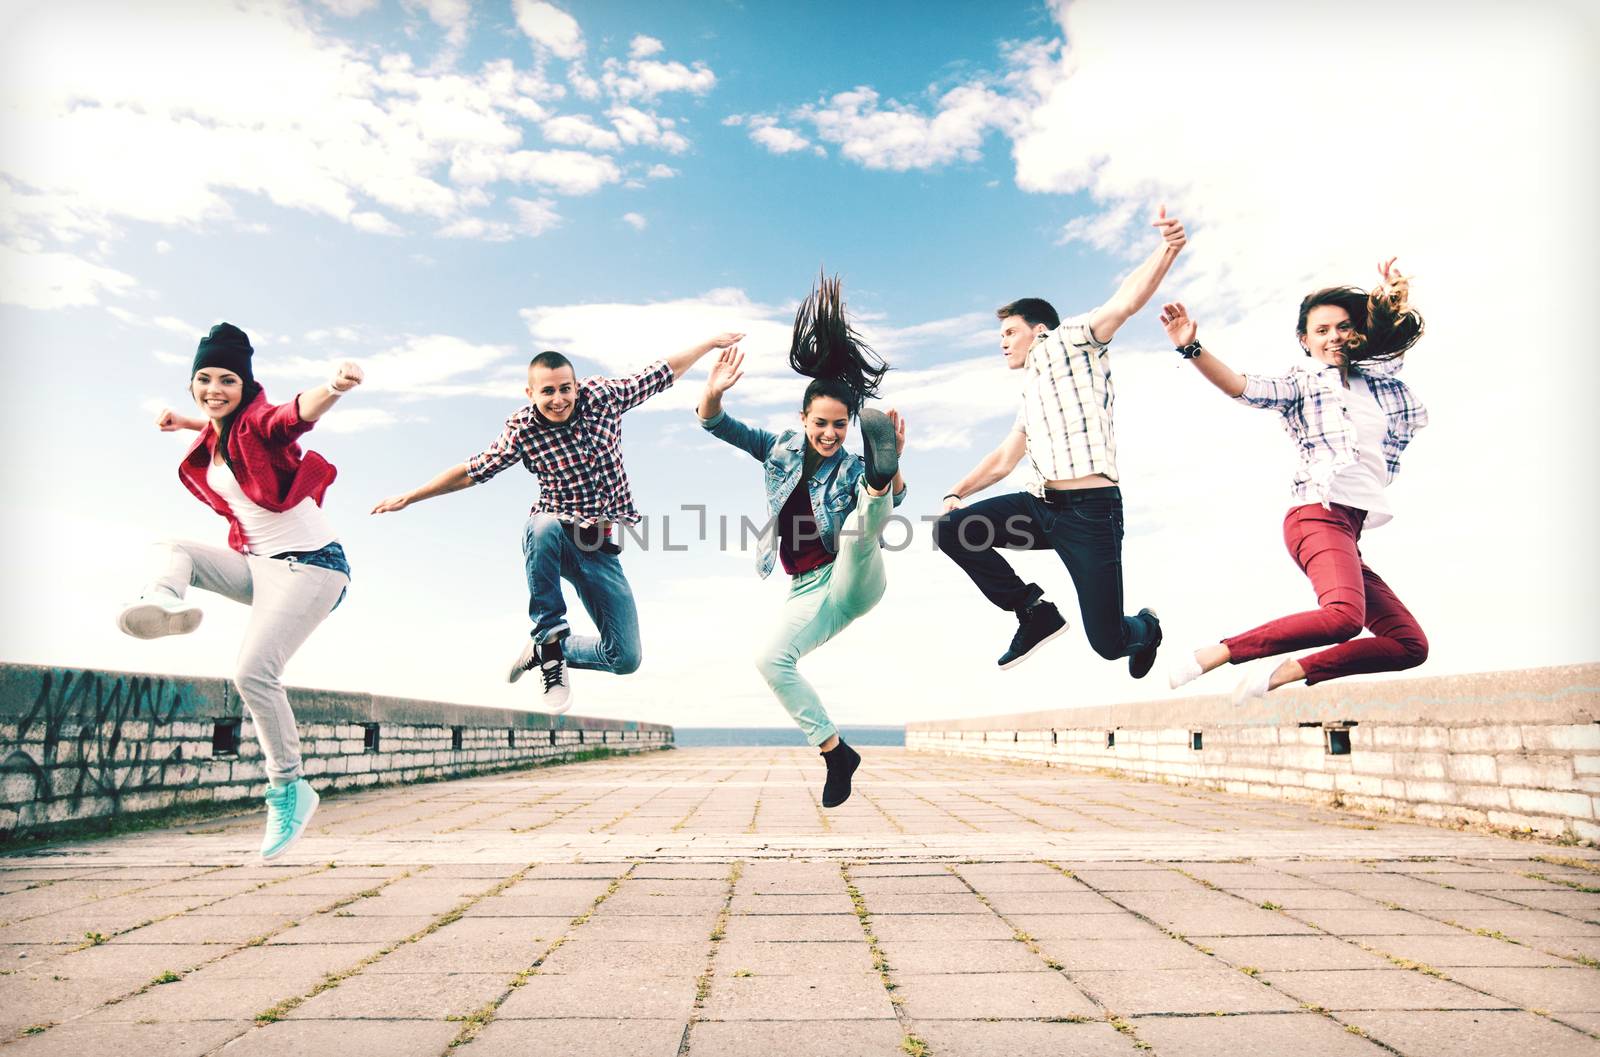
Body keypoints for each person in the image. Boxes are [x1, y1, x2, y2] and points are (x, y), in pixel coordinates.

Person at [371, 335, 743, 713]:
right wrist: (411, 496)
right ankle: (549, 637)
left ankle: (547, 650)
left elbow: (661, 373)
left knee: (625, 658)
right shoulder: (522, 429)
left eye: (565, 389)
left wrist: (709, 344)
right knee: (542, 525)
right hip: (556, 538)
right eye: (547, 392)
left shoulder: (604, 397)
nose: (559, 399)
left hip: (599, 548)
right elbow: (472, 472)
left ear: (576, 386)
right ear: (530, 392)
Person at [117, 322, 363, 861]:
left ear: (246, 387)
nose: (214, 389)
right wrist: (183, 420)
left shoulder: (256, 422)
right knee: (170, 546)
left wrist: (335, 387)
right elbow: (211, 428)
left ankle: (289, 787)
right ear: (191, 385)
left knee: (253, 674)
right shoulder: (217, 431)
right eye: (203, 379)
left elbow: (289, 418)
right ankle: (164, 599)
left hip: (314, 568)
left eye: (227, 380)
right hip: (261, 567)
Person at [1162, 258, 1429, 703]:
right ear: (1305, 341)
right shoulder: (1301, 385)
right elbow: (1242, 386)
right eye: (1321, 331)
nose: (1334, 337)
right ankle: (1220, 652)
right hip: (1316, 516)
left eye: (1343, 327)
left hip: (1349, 528)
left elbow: (1392, 348)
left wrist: (1391, 300)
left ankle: (1294, 670)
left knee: (1409, 645)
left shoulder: (1378, 385)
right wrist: (1192, 349)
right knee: (1343, 617)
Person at [934, 207, 1187, 676]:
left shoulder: (1069, 341)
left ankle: (1146, 629)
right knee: (951, 529)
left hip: (1092, 513)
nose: (1002, 342)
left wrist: (1167, 249)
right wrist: (956, 494)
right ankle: (1034, 612)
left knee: (1109, 643)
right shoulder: (1029, 392)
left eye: (1010, 332)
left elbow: (1123, 303)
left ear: (1040, 329)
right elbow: (1004, 459)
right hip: (1040, 508)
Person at [696, 275, 906, 808]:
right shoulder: (778, 449)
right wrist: (713, 392)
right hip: (806, 590)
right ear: (803, 419)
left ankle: (881, 475)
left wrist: (890, 470)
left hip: (853, 575)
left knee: (863, 528)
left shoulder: (853, 463)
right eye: (821, 424)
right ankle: (836, 753)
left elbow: (896, 505)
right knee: (770, 661)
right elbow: (717, 424)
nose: (831, 434)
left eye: (840, 425)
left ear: (850, 425)